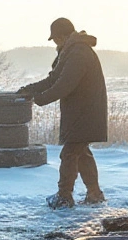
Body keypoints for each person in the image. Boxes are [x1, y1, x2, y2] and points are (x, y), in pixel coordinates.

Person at [17, 17, 108, 209]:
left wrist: (39, 99)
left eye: (56, 38)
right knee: (81, 153)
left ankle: (64, 196)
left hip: (84, 113)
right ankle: (94, 194)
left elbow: (64, 85)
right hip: (80, 113)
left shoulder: (79, 54)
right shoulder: (70, 52)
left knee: (69, 154)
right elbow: (54, 79)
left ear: (64, 36)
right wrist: (30, 89)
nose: (55, 43)